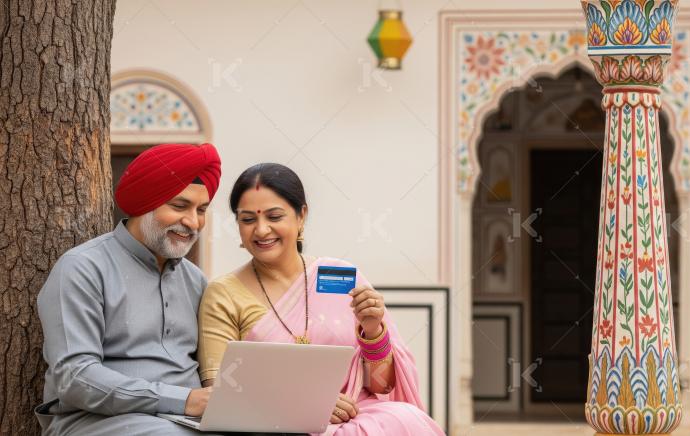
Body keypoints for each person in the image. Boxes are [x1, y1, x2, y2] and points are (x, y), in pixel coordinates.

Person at [197, 163, 445, 435]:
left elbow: (381, 387)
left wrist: (372, 329)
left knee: (405, 418)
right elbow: (219, 394)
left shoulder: (339, 277)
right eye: (248, 220)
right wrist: (307, 406)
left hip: (357, 413)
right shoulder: (224, 294)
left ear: (301, 215)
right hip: (275, 424)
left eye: (274, 216)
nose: (261, 230)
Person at [35, 143, 221, 435]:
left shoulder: (195, 281)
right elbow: (75, 378)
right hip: (97, 421)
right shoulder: (83, 267)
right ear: (145, 202)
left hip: (190, 421)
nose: (193, 222)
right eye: (179, 206)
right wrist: (182, 399)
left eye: (202, 210)